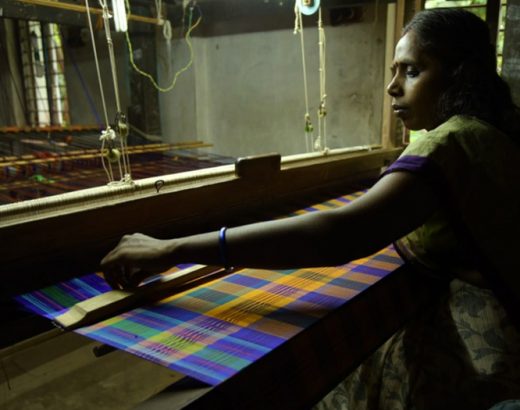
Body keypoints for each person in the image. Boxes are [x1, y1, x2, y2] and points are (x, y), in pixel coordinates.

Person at [101, 8, 520, 409]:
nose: (392, 86)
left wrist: (171, 250)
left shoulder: (450, 142)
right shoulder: (497, 134)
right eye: (394, 71)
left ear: (458, 76)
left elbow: (337, 234)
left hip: (493, 361)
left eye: (411, 70)